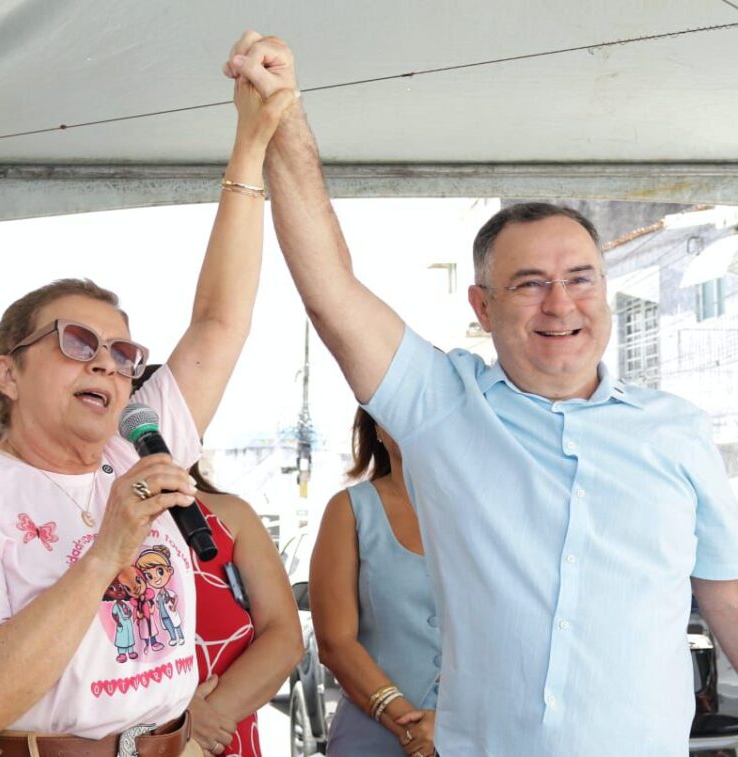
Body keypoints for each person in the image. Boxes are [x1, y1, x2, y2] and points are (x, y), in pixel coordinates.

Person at [223, 32, 738, 756]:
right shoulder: (442, 407)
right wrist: (286, 118)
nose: (561, 304)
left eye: (581, 277)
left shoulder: (678, 429)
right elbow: (332, 294)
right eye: (529, 283)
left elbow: (728, 603)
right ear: (481, 304)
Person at [0, 77, 296, 757]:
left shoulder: (131, 446)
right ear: (8, 372)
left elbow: (219, 320)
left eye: (121, 350)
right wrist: (108, 547)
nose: (108, 364)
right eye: (76, 341)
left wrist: (250, 145)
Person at [312, 409, 439, 757]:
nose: (414, 418)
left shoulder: (492, 511)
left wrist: (452, 724)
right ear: (377, 429)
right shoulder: (350, 509)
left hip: (481, 734)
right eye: (399, 408)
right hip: (372, 735)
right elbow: (334, 642)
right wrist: (408, 724)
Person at [185, 461, 302, 757]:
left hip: (221, 738)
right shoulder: (83, 517)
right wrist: (171, 723)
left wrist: (201, 726)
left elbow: (283, 635)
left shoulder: (231, 516)